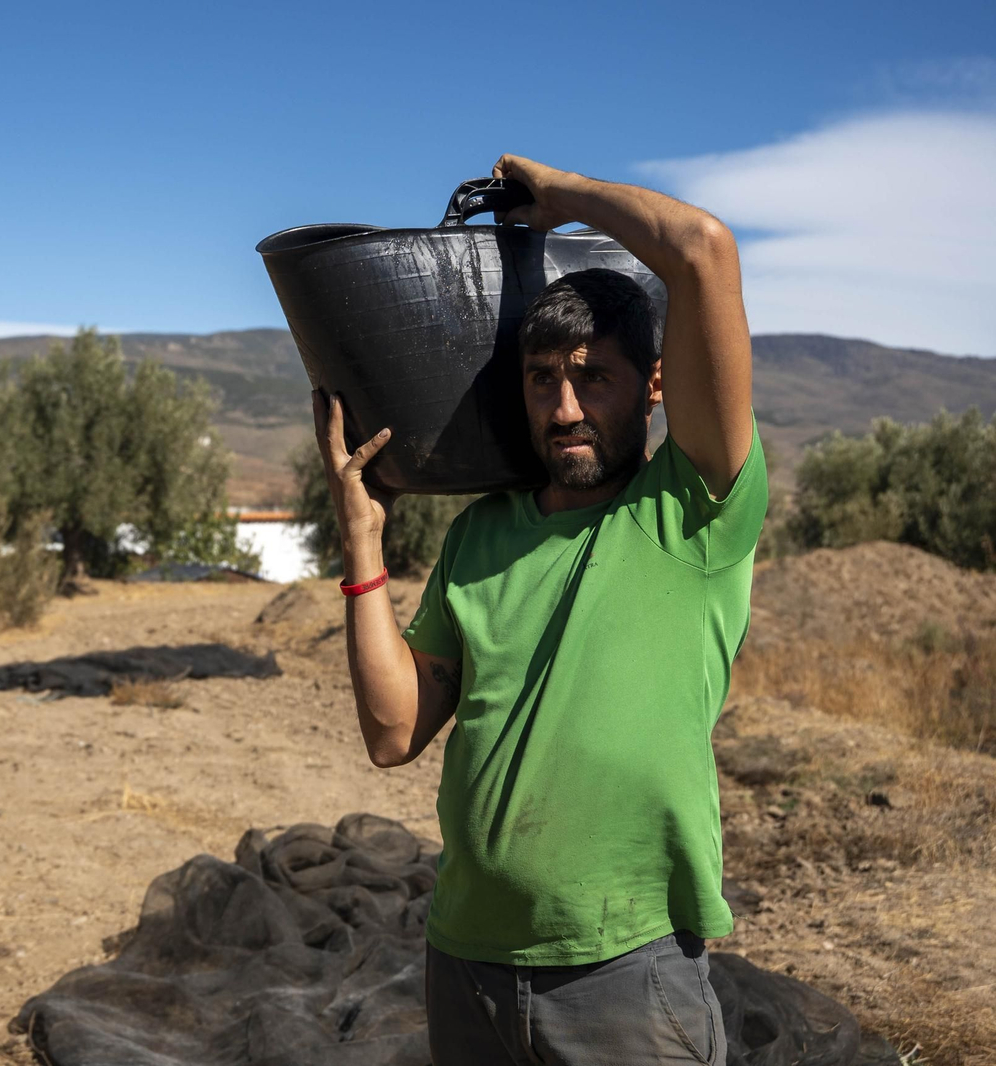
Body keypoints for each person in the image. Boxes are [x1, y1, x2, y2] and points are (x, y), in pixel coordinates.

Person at [312, 154, 767, 1066]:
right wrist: (362, 543)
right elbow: (393, 731)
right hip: (467, 961)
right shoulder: (482, 536)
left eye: (592, 377)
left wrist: (555, 199)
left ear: (653, 386)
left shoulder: (693, 511)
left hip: (627, 973)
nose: (564, 407)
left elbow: (704, 251)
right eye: (541, 380)